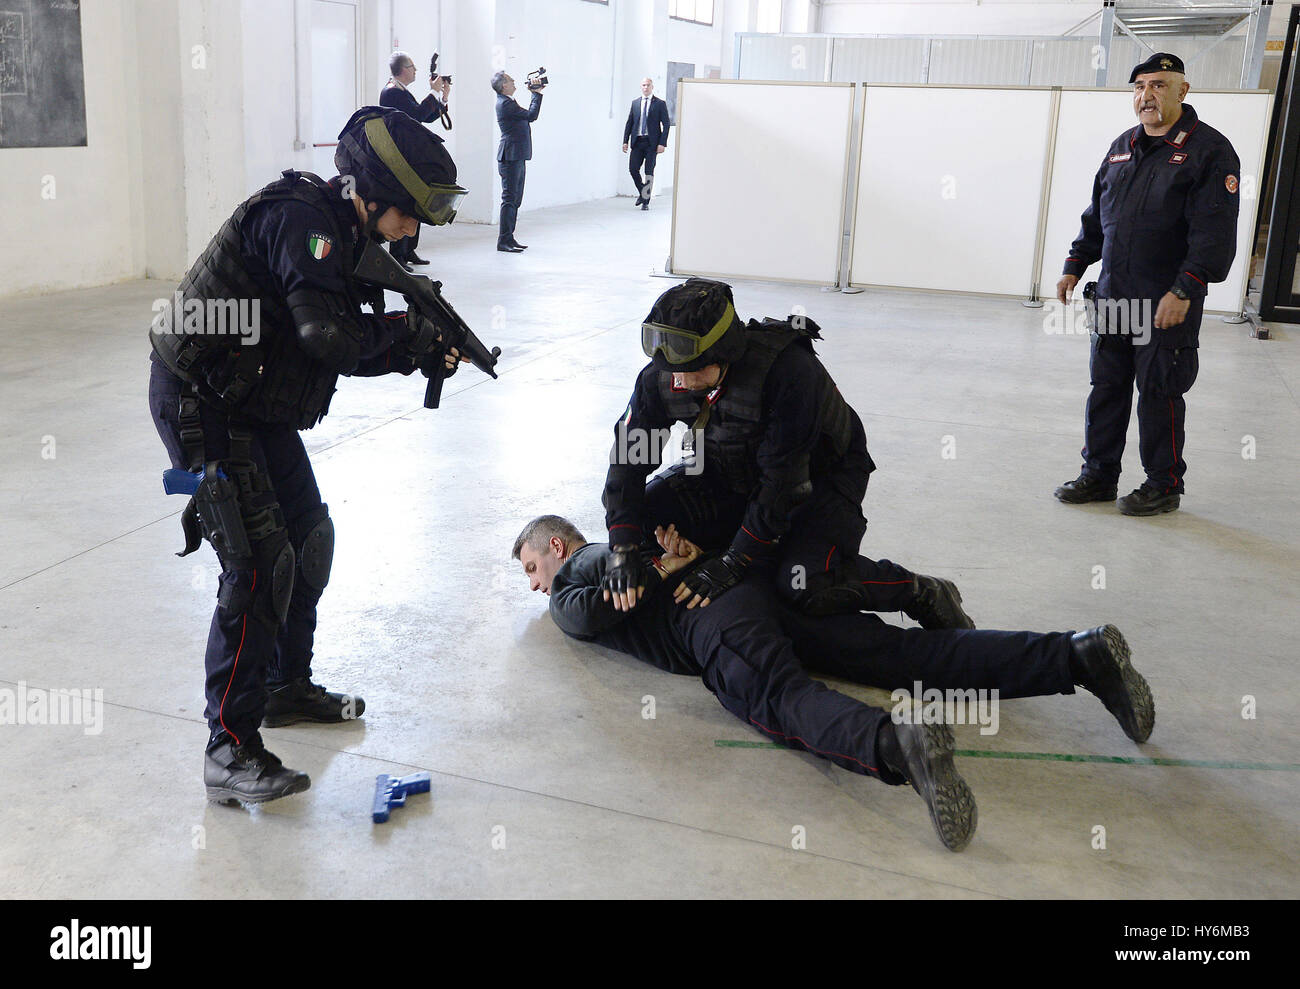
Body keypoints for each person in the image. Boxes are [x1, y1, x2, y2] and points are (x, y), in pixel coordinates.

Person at [148, 106, 468, 806]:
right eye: (408, 214)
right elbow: (326, 336)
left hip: (251, 404)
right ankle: (227, 748)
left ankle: (285, 686)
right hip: (195, 404)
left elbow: (331, 331)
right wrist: (405, 341)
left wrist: (413, 340)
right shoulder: (304, 222)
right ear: (372, 196)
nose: (412, 229)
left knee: (309, 538)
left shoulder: (348, 233)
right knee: (258, 565)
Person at [513, 514, 1155, 851]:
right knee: (909, 656)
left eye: (532, 566)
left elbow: (588, 607)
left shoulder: (582, 572)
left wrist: (647, 569)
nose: (534, 584)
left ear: (559, 548)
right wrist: (675, 558)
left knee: (783, 699)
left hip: (713, 621)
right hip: (755, 590)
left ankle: (896, 745)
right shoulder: (629, 544)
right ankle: (1080, 655)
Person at [601, 277, 972, 628]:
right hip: (728, 468)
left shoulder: (788, 372)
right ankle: (732, 549)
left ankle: (920, 591)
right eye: (668, 369)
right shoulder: (662, 377)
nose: (676, 380)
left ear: (721, 353)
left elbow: (783, 485)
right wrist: (623, 548)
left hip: (819, 478)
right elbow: (630, 460)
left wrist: (735, 560)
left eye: (687, 369)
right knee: (642, 521)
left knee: (800, 586)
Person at [1054, 53, 1240, 516]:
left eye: (1158, 85)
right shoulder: (1123, 146)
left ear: (1183, 90)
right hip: (1115, 296)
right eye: (1139, 86)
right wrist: (1075, 264)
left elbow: (1213, 234)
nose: (1147, 95)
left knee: (1159, 393)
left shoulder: (1209, 151)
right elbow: (1098, 216)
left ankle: (1163, 483)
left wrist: (1186, 289)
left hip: (1165, 301)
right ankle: (1098, 474)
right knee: (1106, 389)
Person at [379, 50, 449, 269]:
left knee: (415, 201)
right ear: (402, 70)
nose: (416, 70)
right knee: (404, 204)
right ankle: (398, 255)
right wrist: (432, 92)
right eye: (412, 67)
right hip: (399, 157)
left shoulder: (401, 91)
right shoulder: (391, 92)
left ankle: (409, 250)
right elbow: (416, 115)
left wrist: (442, 97)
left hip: (409, 156)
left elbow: (425, 117)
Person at [492, 70, 544, 253]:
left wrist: (536, 93)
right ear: (503, 85)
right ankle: (503, 241)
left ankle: (509, 238)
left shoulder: (508, 101)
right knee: (509, 199)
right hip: (510, 156)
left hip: (516, 155)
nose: (515, 82)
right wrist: (536, 94)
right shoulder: (505, 103)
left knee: (515, 199)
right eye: (511, 80)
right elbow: (531, 115)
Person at [622, 77, 670, 210]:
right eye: (643, 85)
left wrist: (662, 143)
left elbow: (666, 124)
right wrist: (625, 141)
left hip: (652, 144)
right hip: (637, 142)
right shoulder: (635, 103)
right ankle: (644, 193)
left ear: (652, 87)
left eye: (648, 85)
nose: (646, 87)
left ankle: (645, 202)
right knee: (633, 169)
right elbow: (629, 123)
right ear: (641, 87)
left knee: (649, 172)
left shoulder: (660, 103)